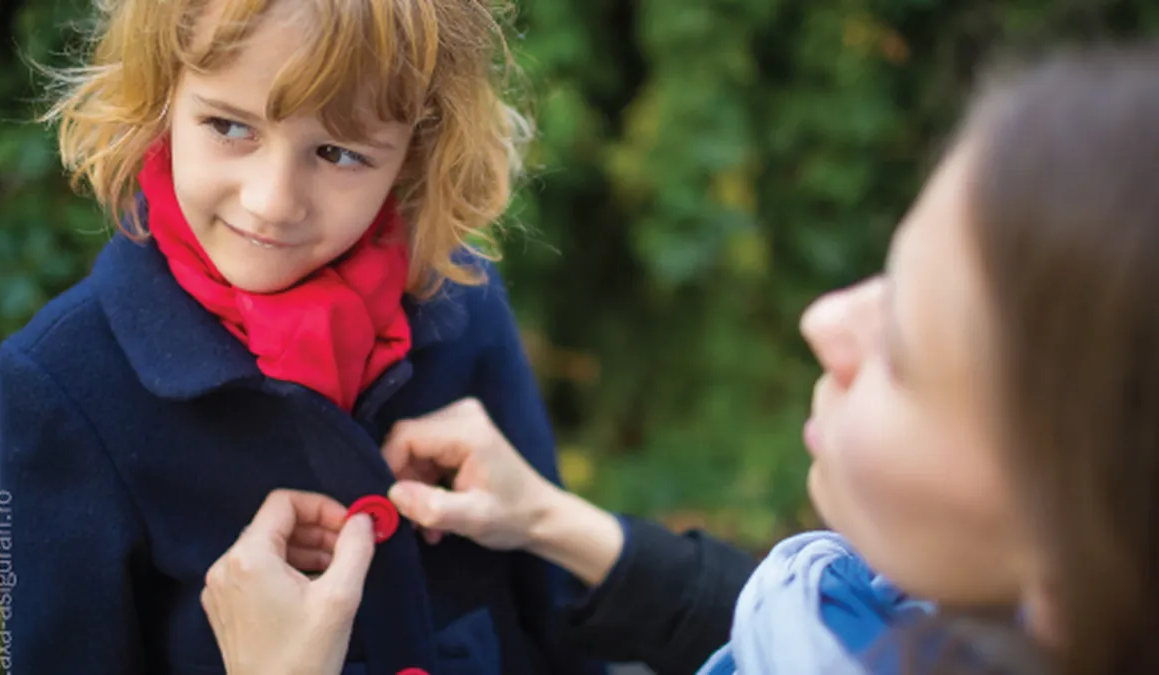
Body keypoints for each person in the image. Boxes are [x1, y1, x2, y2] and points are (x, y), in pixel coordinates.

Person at [200, 43, 1159, 675]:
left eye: (905, 347)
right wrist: (553, 522)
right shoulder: (900, 614)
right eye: (884, 273)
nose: (826, 320)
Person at [0, 1, 605, 674]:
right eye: (229, 126)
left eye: (339, 152)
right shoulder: (61, 378)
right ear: (162, 94)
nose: (272, 201)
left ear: (414, 151)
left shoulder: (460, 295)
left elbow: (559, 622)